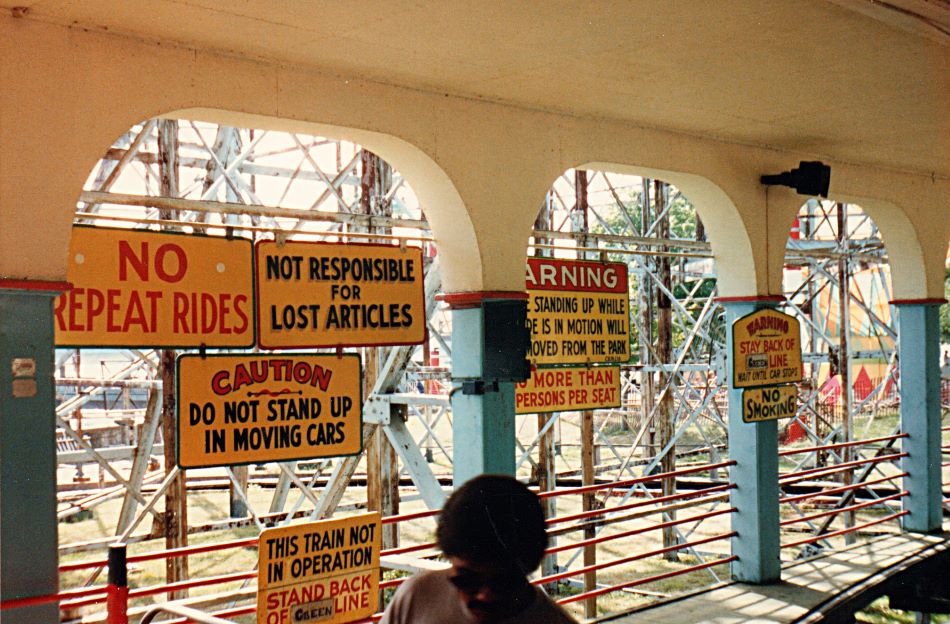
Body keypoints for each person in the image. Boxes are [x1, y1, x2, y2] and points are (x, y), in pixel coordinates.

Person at [380, 474, 577, 624]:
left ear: (528, 567)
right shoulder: (416, 597)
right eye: (467, 579)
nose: (485, 595)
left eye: (504, 581)